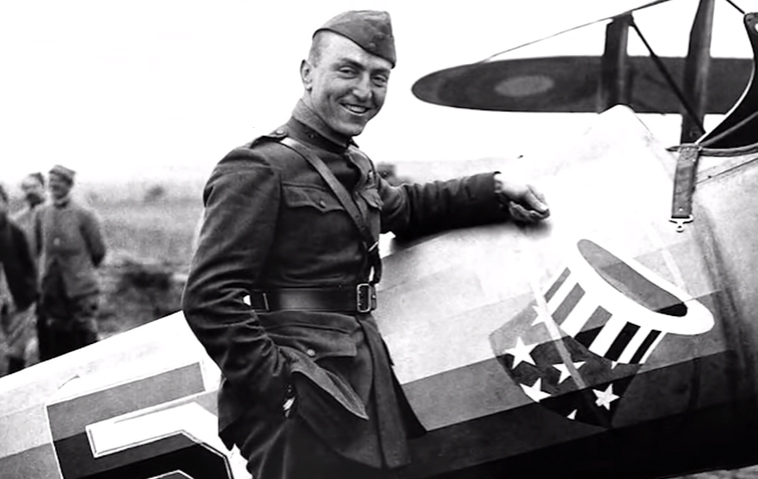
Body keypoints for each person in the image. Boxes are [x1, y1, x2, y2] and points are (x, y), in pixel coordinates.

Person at [182, 10, 549, 479]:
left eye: (379, 78)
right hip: (303, 391)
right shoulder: (257, 167)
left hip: (357, 380)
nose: (364, 92)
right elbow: (209, 298)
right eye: (348, 70)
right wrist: (282, 386)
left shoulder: (352, 164)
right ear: (308, 72)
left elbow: (408, 208)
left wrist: (496, 188)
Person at [35, 165, 107, 360]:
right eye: (51, 183)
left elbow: (98, 251)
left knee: (84, 337)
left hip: (80, 289)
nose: (54, 187)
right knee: (57, 340)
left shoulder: (84, 214)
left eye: (59, 183)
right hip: (53, 288)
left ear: (69, 185)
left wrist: (81, 270)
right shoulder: (42, 213)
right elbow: (38, 248)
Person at [0, 184, 38, 376]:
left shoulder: (15, 232)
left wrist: (29, 293)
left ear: (5, 202)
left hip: (17, 299)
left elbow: (29, 266)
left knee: (17, 350)